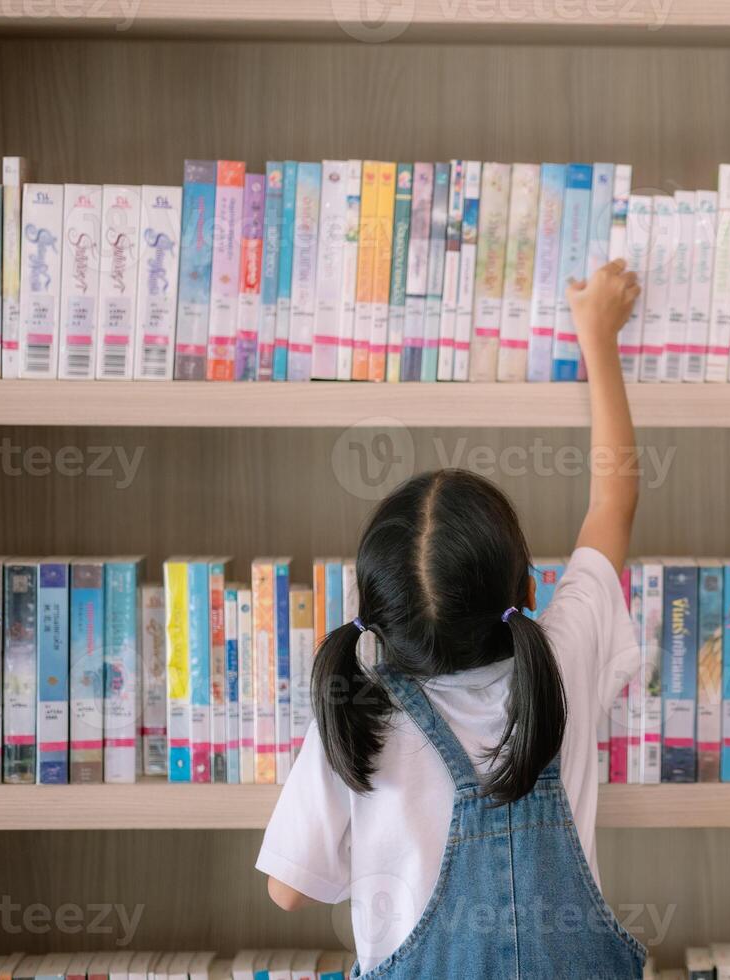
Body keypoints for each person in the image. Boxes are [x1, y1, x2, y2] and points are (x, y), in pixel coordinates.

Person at [256, 260, 648, 979]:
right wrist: (599, 337)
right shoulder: (563, 658)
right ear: (526, 586)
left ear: (374, 618)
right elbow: (613, 503)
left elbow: (287, 890)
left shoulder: (360, 711)